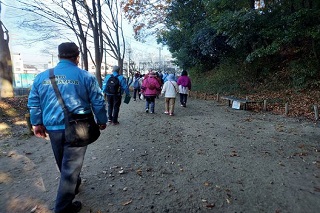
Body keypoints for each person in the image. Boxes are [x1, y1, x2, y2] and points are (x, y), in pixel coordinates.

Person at [27, 42, 108, 213]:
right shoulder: (86, 76)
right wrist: (101, 120)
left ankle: (73, 184)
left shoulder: (41, 77)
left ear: (59, 56)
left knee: (63, 161)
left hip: (53, 128)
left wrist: (36, 123)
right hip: (79, 128)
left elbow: (34, 103)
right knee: (70, 168)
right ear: (77, 57)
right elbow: (98, 101)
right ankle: (62, 208)